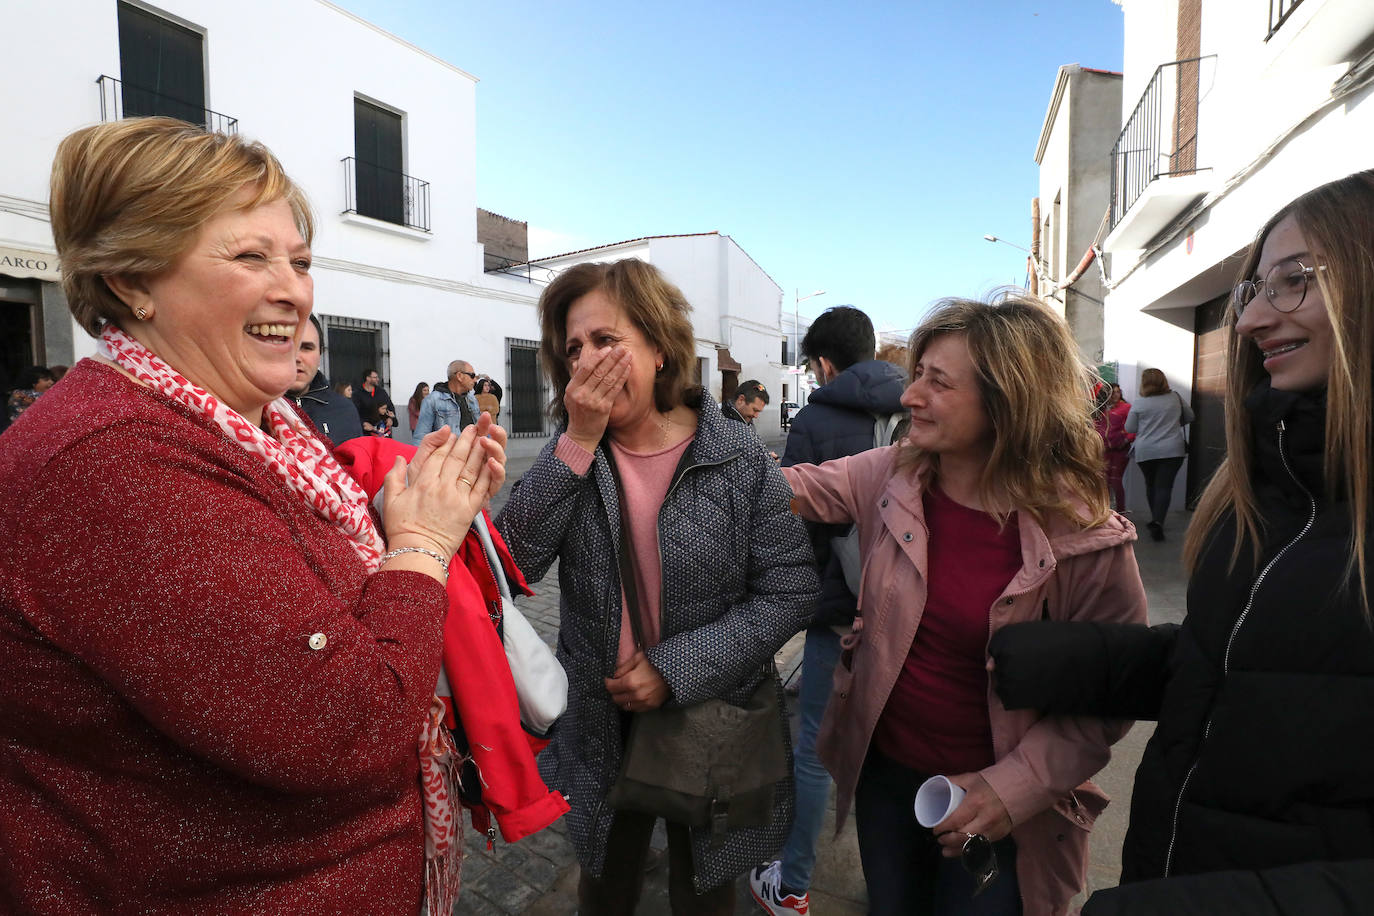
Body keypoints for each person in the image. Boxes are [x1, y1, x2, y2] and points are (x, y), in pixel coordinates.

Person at [0, 117, 507, 913]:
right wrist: (421, 542)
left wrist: (402, 508)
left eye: (300, 260)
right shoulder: (115, 461)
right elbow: (348, 728)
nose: (294, 289)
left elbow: (289, 566)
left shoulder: (249, 422)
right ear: (133, 280)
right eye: (250, 256)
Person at [990, 170, 1374, 915]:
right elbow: (1253, 667)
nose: (1254, 318)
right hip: (1176, 858)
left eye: (1297, 281)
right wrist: (1061, 660)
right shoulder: (1262, 493)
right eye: (1252, 289)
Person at [781, 293, 1148, 916]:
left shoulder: (1081, 533)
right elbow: (786, 489)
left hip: (998, 805)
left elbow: (1111, 695)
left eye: (938, 382)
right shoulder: (892, 474)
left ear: (1007, 401)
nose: (909, 396)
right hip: (888, 781)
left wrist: (1017, 787)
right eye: (917, 373)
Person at [496, 259, 817, 915]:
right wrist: (577, 443)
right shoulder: (577, 454)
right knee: (606, 883)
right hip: (600, 721)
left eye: (606, 340)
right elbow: (511, 567)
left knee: (702, 889)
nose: (588, 362)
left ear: (659, 345)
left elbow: (789, 590)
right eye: (574, 350)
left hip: (710, 718)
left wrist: (674, 669)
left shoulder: (735, 453)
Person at [750, 305, 906, 916]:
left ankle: (792, 885)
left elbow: (793, 516)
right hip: (907, 610)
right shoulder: (918, 406)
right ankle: (894, 885)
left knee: (815, 746)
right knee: (893, 748)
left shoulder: (816, 417)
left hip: (837, 610)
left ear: (821, 363)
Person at [1124, 368, 1192, 540]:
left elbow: (1130, 428)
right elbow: (1190, 416)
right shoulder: (1175, 398)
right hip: (1172, 450)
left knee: (1151, 484)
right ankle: (1158, 521)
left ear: (1144, 382)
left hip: (1146, 450)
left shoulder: (1140, 403)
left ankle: (1156, 518)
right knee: (1164, 486)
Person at [286, 313, 364, 444]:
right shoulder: (252, 410)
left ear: (320, 354)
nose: (296, 358)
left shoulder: (344, 410)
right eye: (287, 345)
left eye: (306, 348)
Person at [1095, 384, 1133, 512]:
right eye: (1112, 392)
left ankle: (1121, 511)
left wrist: (1127, 439)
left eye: (1118, 392)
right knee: (1103, 481)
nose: (1115, 395)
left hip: (1120, 449)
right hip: (1104, 450)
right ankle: (1104, 512)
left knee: (1116, 480)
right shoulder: (1101, 409)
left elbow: (1133, 427)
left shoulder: (1126, 407)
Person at [416, 360, 479, 437]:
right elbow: (421, 436)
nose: (475, 380)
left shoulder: (472, 399)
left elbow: (481, 430)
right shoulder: (432, 400)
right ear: (459, 376)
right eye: (472, 375)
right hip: (446, 448)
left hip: (471, 447)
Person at [352, 366, 397, 436]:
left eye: (377, 377)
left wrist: (390, 418)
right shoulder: (357, 393)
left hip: (382, 430)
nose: (378, 379)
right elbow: (354, 412)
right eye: (375, 377)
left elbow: (390, 407)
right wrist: (363, 423)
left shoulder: (381, 392)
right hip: (366, 432)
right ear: (368, 378)